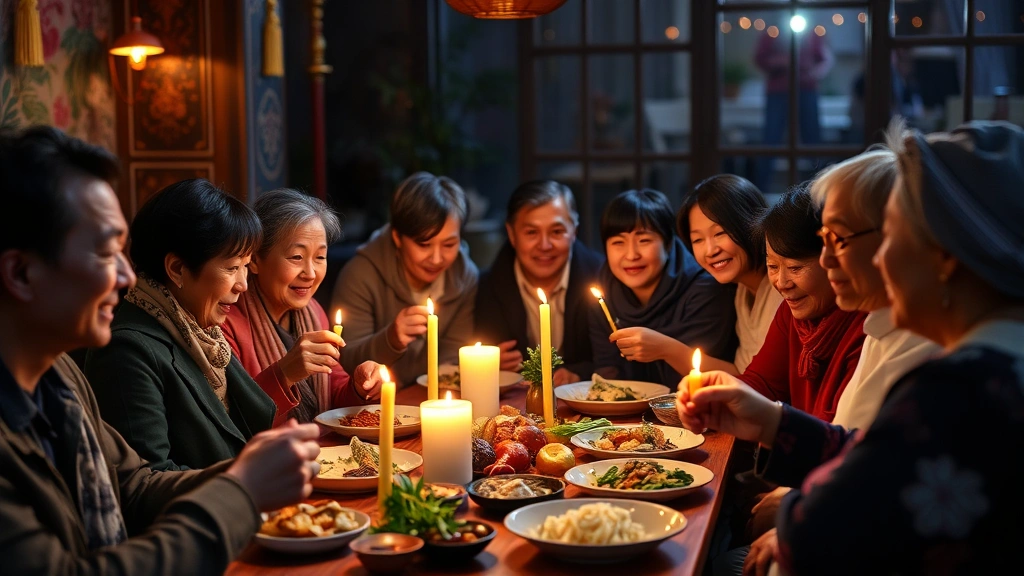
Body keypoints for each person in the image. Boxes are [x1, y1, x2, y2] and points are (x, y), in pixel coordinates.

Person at [678, 120, 1024, 575]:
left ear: (945, 256)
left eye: (893, 237)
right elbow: (876, 460)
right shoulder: (987, 363)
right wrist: (771, 421)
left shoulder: (961, 386)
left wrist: (791, 508)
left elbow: (827, 530)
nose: (879, 261)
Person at [0, 126, 319, 574]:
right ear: (21, 273)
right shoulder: (126, 348)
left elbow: (132, 485)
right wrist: (241, 491)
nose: (127, 277)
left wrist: (253, 472)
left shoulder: (59, 379)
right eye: (103, 252)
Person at [85, 179, 275, 471]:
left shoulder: (203, 333)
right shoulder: (127, 351)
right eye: (232, 268)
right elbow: (144, 479)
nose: (243, 285)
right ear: (177, 269)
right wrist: (246, 480)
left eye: (246, 267)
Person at [222, 189, 386, 427]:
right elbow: (232, 423)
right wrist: (284, 374)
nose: (310, 274)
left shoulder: (313, 312)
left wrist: (360, 386)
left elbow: (332, 395)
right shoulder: (226, 324)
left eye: (320, 257)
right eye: (296, 257)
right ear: (255, 260)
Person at [811, 125, 939, 430]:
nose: (824, 259)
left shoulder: (930, 350)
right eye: (823, 237)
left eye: (839, 237)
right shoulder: (878, 322)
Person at [331, 172, 478, 387]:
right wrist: (391, 339)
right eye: (424, 244)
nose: (437, 259)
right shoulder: (361, 275)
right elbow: (344, 364)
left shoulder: (464, 276)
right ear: (397, 237)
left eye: (449, 245)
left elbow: (452, 355)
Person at [737, 187, 866, 422]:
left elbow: (841, 430)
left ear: (833, 258)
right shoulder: (791, 313)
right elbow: (763, 382)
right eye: (773, 266)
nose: (782, 283)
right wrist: (721, 393)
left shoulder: (864, 324)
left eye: (795, 268)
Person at [589, 189, 737, 388]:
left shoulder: (705, 289)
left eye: (644, 240)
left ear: (668, 243)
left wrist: (664, 348)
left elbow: (703, 376)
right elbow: (607, 368)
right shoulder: (603, 290)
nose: (631, 255)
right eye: (618, 242)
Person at [474, 180, 604, 383]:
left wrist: (580, 373)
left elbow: (614, 360)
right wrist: (487, 364)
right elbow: (479, 353)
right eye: (531, 233)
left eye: (557, 232)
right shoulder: (488, 286)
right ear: (512, 234)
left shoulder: (601, 279)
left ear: (574, 231)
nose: (544, 245)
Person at [679, 175, 784, 374]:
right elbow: (744, 374)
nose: (710, 251)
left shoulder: (784, 288)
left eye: (720, 233)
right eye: (698, 240)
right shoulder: (742, 291)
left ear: (753, 223)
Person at [754, 28, 834, 192]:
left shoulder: (812, 33)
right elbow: (759, 58)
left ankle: (820, 191)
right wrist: (782, 61)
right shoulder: (772, 32)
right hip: (779, 91)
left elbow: (824, 60)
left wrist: (814, 73)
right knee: (771, 139)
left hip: (805, 89)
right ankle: (759, 191)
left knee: (812, 138)